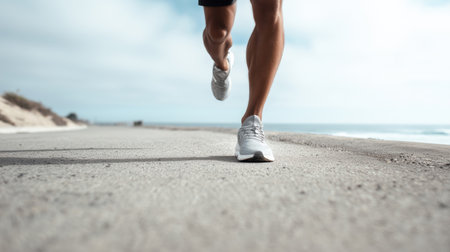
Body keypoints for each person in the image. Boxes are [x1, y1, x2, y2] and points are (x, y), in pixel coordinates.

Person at [199, 0, 284, 162]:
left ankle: (253, 119)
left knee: (270, 11)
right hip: (218, 38)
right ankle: (222, 64)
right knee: (217, 33)